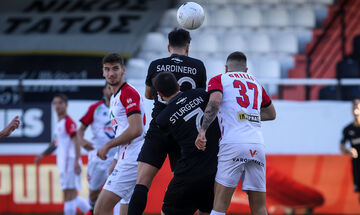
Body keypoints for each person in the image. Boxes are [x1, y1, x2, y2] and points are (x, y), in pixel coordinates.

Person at [128, 28, 207, 215]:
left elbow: (148, 95)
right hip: (184, 131)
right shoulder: (198, 66)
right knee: (184, 183)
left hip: (159, 126)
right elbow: (199, 96)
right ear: (188, 47)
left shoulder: (156, 65)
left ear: (168, 46)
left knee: (141, 185)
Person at [195, 52, 276, 215]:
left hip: (232, 144)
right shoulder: (256, 82)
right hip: (257, 146)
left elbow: (215, 101)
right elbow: (271, 114)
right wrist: (245, 115)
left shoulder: (220, 79)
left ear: (226, 68)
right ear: (246, 69)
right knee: (260, 208)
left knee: (219, 205)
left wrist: (202, 130)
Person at [153, 72, 220, 215]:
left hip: (189, 173)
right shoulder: (201, 94)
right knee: (206, 210)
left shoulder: (162, 119)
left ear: (159, 94)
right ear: (178, 85)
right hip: (215, 170)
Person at [93, 53, 146, 215]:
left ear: (123, 70)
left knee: (101, 209)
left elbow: (136, 129)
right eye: (107, 69)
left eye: (115, 69)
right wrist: (116, 159)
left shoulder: (127, 93)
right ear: (103, 72)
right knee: (125, 209)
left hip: (132, 158)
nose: (111, 73)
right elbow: (124, 129)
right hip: (127, 156)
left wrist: (108, 145)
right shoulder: (116, 96)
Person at [35, 94, 91, 215]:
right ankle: (91, 212)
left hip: (70, 163)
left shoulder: (68, 122)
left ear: (66, 105)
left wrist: (76, 160)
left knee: (69, 195)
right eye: (55, 103)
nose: (57, 106)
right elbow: (55, 143)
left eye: (60, 103)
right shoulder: (59, 123)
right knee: (70, 195)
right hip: (64, 164)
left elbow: (76, 141)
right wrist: (42, 155)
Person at [77, 83, 118, 214]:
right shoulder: (95, 108)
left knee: (115, 194)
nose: (111, 90)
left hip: (117, 158)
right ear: (104, 90)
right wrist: (82, 141)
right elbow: (80, 131)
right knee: (94, 193)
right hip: (98, 158)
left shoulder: (122, 108)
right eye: (109, 88)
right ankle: (93, 210)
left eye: (113, 88)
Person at [340, 98, 360, 202]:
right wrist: (348, 152)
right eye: (353, 106)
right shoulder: (348, 129)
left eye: (357, 105)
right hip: (357, 164)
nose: (355, 108)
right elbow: (342, 146)